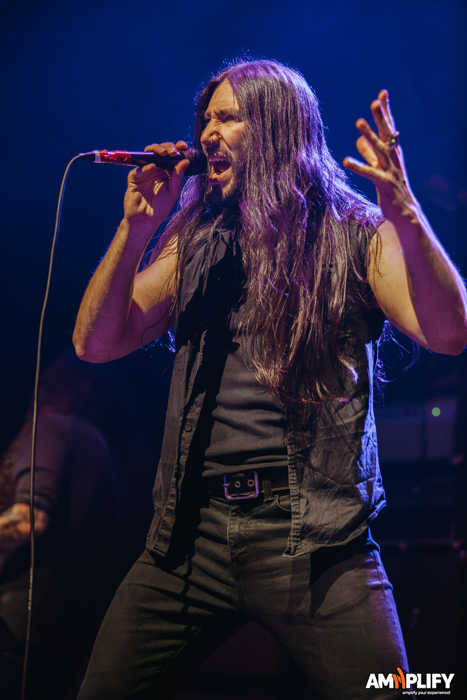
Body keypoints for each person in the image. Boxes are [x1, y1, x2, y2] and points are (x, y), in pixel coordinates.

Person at [72, 59, 467, 699]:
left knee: (394, 691)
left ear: (280, 129)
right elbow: (95, 343)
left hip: (317, 541)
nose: (208, 133)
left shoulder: (354, 231)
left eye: (229, 118)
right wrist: (136, 227)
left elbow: (449, 333)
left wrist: (407, 214)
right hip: (190, 537)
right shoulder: (195, 235)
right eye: (206, 119)